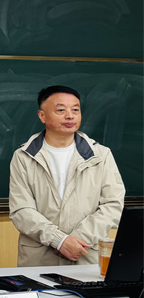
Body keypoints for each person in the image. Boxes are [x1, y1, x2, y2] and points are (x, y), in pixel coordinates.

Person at [9, 85, 124, 267]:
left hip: (86, 255)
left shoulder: (101, 155)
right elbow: (21, 210)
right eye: (61, 110)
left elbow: (113, 206)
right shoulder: (24, 156)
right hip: (40, 260)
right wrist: (59, 240)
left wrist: (77, 239)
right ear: (42, 116)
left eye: (75, 110)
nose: (70, 116)